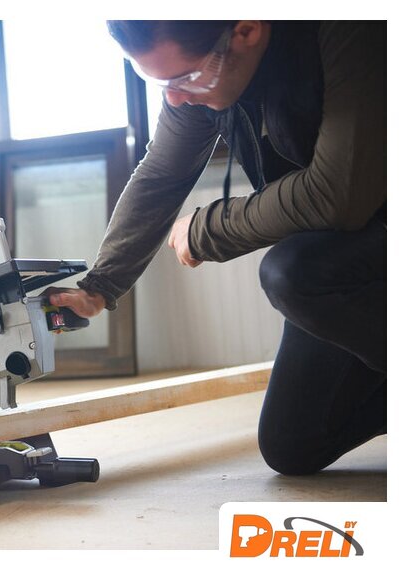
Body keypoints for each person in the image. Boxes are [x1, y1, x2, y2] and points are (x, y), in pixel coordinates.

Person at [46, 21, 385, 475]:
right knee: (294, 443)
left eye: (185, 78)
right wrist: (99, 286)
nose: (174, 98)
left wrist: (208, 228)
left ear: (246, 31)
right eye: (160, 84)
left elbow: (337, 194)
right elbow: (162, 175)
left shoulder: (350, 29)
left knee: (293, 274)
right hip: (353, 261)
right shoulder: (203, 76)